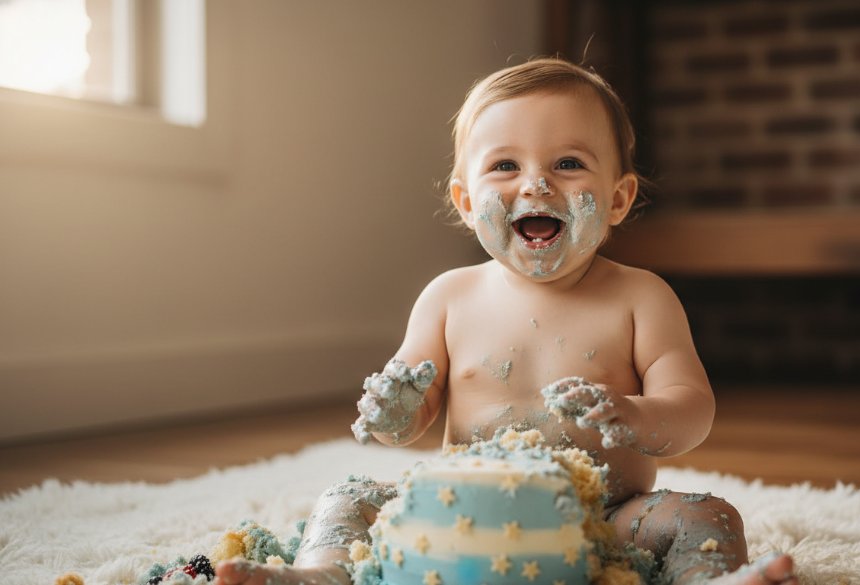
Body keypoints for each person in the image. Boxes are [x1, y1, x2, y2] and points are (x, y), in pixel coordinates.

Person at [215, 58, 798, 585]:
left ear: (618, 199)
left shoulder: (642, 298)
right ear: (467, 203)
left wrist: (636, 415)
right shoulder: (448, 297)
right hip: (457, 509)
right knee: (347, 498)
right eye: (504, 165)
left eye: (569, 163)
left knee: (706, 515)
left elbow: (692, 409)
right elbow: (409, 421)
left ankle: (708, 581)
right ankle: (320, 576)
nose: (536, 183)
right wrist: (395, 413)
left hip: (602, 520)